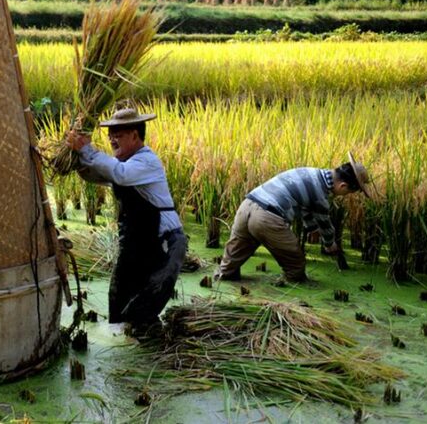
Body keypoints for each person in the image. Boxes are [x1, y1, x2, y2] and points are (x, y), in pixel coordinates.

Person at [66, 107, 186, 327]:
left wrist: (88, 150)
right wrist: (75, 158)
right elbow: (98, 173)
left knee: (143, 308)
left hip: (164, 243)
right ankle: (123, 343)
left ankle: (147, 350)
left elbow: (119, 174)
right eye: (110, 135)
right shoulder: (124, 164)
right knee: (119, 299)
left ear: (134, 135)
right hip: (136, 243)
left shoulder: (145, 162)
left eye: (118, 134)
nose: (112, 139)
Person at [213, 153, 370, 283]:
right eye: (348, 193)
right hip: (266, 218)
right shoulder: (321, 194)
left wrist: (312, 228)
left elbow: (304, 206)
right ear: (342, 186)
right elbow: (325, 223)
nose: (344, 195)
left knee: (230, 264)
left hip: (246, 207)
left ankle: (222, 283)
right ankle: (293, 295)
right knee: (295, 263)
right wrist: (330, 245)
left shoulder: (310, 173)